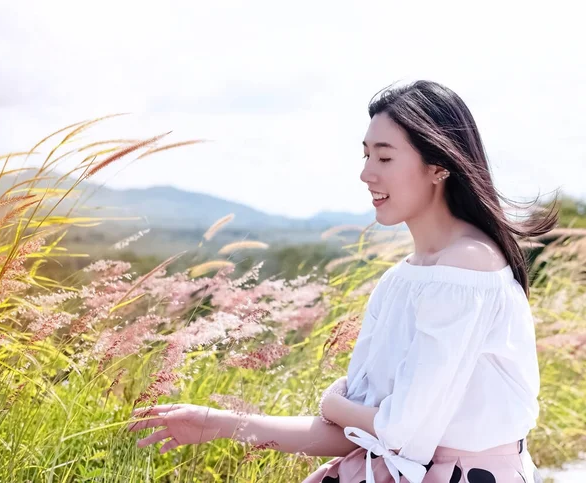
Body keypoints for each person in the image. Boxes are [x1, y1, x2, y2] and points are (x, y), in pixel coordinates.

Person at [128, 80, 556, 483]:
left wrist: (337, 404)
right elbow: (360, 435)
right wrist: (219, 423)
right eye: (366, 155)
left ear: (438, 166)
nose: (367, 173)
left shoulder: (467, 268)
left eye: (385, 157)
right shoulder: (403, 279)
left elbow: (399, 432)